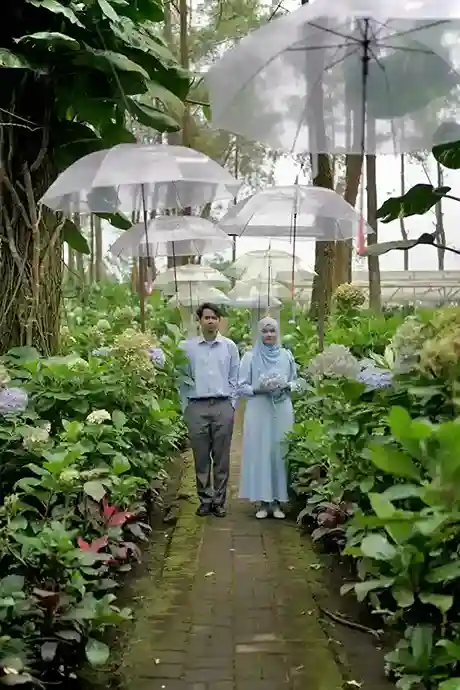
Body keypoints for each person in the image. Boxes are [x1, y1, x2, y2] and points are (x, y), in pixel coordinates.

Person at [179, 303, 240, 518]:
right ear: (199, 321)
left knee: (222, 457)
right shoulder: (188, 348)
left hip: (222, 405)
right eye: (207, 317)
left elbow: (235, 377)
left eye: (214, 317)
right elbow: (182, 378)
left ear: (219, 321)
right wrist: (185, 407)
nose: (211, 321)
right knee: (201, 456)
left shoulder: (229, 347)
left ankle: (219, 501)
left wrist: (232, 404)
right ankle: (205, 500)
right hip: (197, 407)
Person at [238, 316, 301, 519]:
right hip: (258, 409)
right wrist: (260, 388)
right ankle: (263, 502)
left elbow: (297, 382)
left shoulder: (286, 356)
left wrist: (286, 386)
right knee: (261, 451)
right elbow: (241, 386)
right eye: (265, 331)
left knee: (279, 451)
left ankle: (277, 502)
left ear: (278, 333)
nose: (269, 335)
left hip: (281, 409)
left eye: (272, 330)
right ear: (259, 334)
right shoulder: (250, 357)